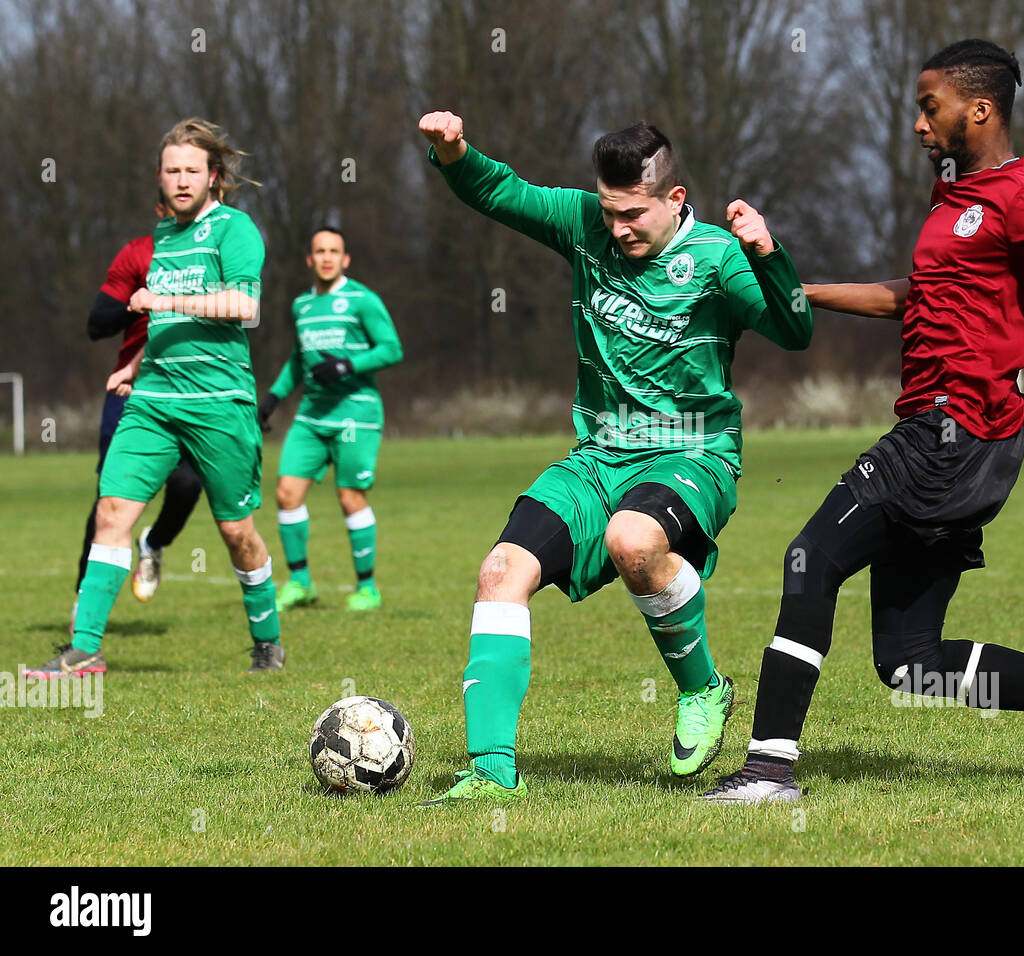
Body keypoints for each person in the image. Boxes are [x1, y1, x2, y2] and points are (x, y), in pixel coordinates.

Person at [702, 39, 1024, 805]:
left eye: (932, 108)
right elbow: (915, 294)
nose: (920, 125)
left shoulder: (1023, 199)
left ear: (978, 109)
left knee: (808, 558)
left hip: (953, 433)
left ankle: (768, 770)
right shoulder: (951, 197)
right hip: (958, 440)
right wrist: (802, 290)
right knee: (908, 659)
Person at [417, 111, 812, 802]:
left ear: (675, 199)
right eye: (609, 211)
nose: (618, 228)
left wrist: (769, 254)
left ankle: (703, 689)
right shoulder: (585, 225)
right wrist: (454, 152)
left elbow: (794, 328)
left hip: (694, 455)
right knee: (499, 571)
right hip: (597, 457)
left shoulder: (718, 258)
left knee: (633, 541)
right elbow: (500, 193)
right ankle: (490, 772)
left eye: (633, 214)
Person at [27, 117, 284, 678]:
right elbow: (167, 320)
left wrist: (163, 296)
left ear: (214, 176)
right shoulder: (162, 238)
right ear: (161, 179)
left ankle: (267, 639)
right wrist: (136, 365)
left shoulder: (235, 229)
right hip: (152, 401)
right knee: (112, 511)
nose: (182, 179)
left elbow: (245, 306)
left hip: (220, 402)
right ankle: (85, 647)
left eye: (193, 170)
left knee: (237, 533)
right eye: (172, 171)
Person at [71, 194, 204, 633]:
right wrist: (137, 299)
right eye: (169, 203)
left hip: (193, 389)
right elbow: (96, 324)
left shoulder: (216, 249)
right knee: (109, 496)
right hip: (133, 388)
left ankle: (154, 542)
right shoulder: (138, 253)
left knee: (187, 483)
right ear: (160, 209)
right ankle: (82, 598)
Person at [258, 227, 404, 612]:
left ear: (345, 259)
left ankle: (367, 589)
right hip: (311, 415)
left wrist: (346, 365)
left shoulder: (362, 300)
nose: (326, 257)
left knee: (350, 496)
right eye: (319, 251)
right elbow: (297, 359)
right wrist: (272, 397)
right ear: (309, 259)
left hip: (356, 413)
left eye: (333, 251)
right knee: (286, 493)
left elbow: (391, 349)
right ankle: (301, 582)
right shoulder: (301, 306)